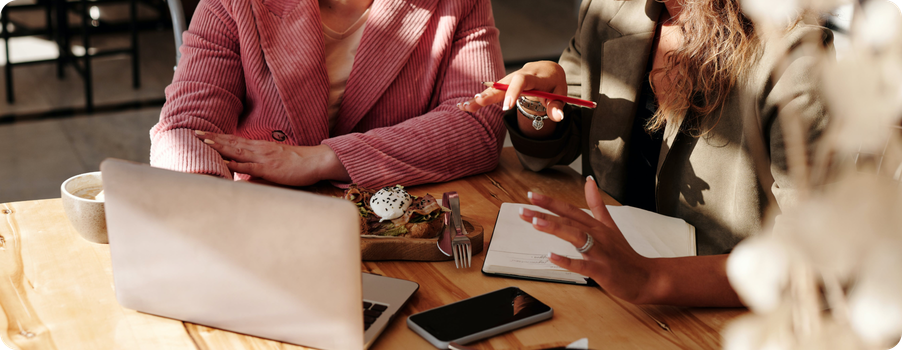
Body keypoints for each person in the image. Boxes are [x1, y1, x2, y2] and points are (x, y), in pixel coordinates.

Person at [462, 0, 833, 306]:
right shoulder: (611, 10)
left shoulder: (795, 59)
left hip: (717, 314)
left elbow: (816, 259)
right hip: (609, 290)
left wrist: (649, 278)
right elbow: (553, 143)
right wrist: (536, 108)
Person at [150, 0, 505, 188]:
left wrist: (321, 160)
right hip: (264, 210)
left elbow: (478, 127)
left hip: (400, 217)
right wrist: (208, 207)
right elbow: (185, 130)